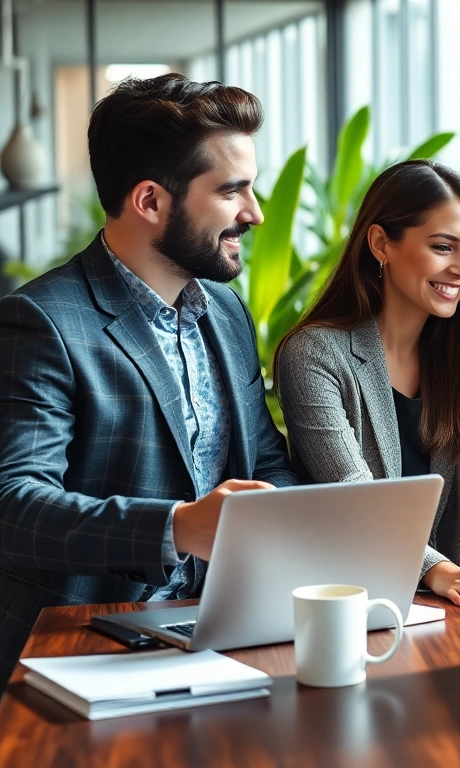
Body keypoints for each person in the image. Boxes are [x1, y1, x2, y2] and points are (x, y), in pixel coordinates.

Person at [0, 74, 298, 679]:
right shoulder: (42, 322)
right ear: (151, 201)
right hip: (87, 645)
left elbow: (263, 459)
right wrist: (177, 528)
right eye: (232, 191)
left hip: (225, 627)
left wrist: (320, 529)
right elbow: (15, 506)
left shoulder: (224, 309)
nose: (255, 214)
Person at [275, 160, 460, 607]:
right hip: (349, 600)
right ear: (381, 243)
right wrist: (438, 569)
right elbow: (355, 494)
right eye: (444, 247)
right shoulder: (315, 354)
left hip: (450, 603)